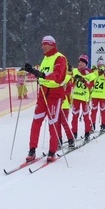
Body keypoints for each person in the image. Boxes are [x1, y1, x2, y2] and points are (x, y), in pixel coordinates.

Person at [24, 35, 67, 163]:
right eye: (42, 44)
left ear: (51, 45)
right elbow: (42, 75)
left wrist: (42, 74)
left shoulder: (60, 57)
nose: (42, 46)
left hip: (54, 93)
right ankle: (32, 149)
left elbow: (58, 76)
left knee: (52, 123)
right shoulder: (45, 58)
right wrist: (32, 71)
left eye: (44, 44)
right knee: (36, 121)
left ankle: (52, 151)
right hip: (43, 93)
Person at [71, 54, 96, 142]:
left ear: (86, 64)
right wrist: (74, 79)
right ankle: (74, 133)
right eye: (79, 62)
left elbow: (91, 85)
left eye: (82, 62)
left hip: (85, 97)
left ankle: (87, 133)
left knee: (86, 116)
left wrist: (83, 80)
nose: (80, 64)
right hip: (76, 96)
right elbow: (71, 83)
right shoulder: (75, 71)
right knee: (74, 116)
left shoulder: (90, 73)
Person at [56, 64, 75, 148]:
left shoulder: (68, 78)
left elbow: (68, 90)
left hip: (64, 104)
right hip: (56, 104)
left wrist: (61, 94)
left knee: (64, 122)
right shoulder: (56, 77)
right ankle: (58, 139)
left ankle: (70, 139)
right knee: (56, 123)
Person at [90, 59, 105, 132]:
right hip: (94, 95)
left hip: (102, 95)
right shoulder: (95, 72)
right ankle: (92, 125)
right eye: (99, 65)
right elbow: (90, 79)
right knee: (93, 111)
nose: (100, 67)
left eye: (101, 65)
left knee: (103, 111)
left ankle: (103, 125)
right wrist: (92, 70)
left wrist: (104, 72)